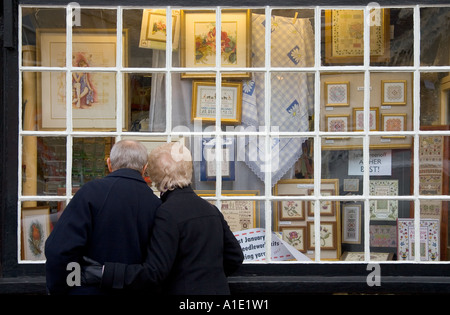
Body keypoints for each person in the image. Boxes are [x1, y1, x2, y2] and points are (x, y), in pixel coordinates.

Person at [83, 142, 244, 294]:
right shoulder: (211, 209)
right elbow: (235, 257)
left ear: (154, 176)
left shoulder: (167, 213)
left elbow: (154, 272)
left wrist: (105, 272)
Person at [45, 140, 161, 295]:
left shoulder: (90, 193)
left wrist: (61, 287)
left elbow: (59, 251)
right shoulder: (156, 205)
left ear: (109, 164)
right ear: (144, 168)